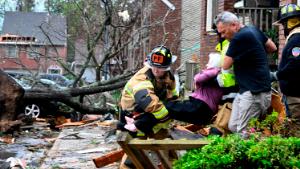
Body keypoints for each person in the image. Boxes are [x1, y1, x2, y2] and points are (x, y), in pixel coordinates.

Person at [215, 11, 277, 135]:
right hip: (247, 90)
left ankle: (258, 151)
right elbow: (272, 47)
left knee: (243, 133)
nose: (222, 36)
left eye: (223, 32)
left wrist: (240, 52)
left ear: (234, 25)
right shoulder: (253, 30)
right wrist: (251, 53)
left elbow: (225, 65)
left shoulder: (238, 38)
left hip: (254, 93)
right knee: (233, 126)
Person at [119, 45, 178, 138]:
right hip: (132, 114)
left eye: (160, 68)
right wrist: (167, 116)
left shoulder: (169, 77)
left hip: (151, 114)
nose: (156, 70)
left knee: (162, 140)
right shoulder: (141, 78)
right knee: (137, 148)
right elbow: (146, 101)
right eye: (153, 66)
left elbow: (173, 96)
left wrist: (174, 108)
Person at [165, 53, 223, 126]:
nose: (206, 65)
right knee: (174, 110)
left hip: (201, 106)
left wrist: (213, 70)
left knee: (168, 107)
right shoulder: (218, 77)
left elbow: (198, 78)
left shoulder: (214, 72)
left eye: (209, 62)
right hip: (205, 110)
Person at [271, 4, 300, 136]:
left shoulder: (297, 39)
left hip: (295, 95)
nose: (283, 28)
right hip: (294, 93)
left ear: (289, 23)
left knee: (296, 128)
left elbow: (295, 64)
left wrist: (277, 74)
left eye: (283, 24)